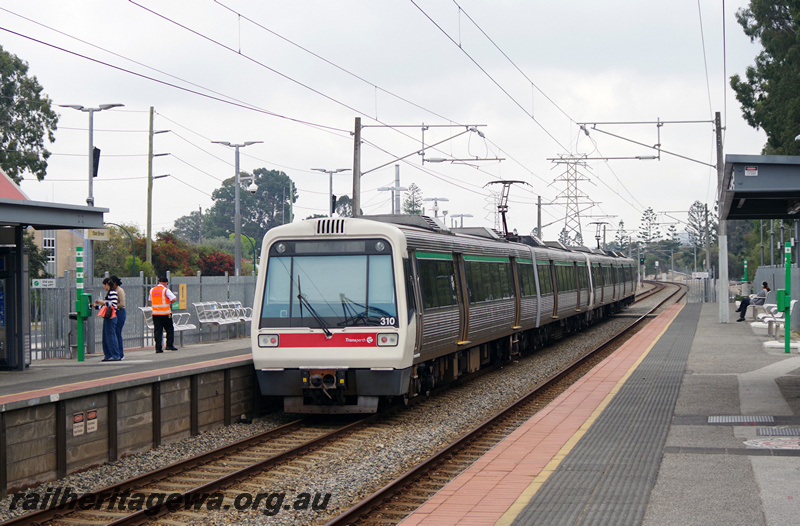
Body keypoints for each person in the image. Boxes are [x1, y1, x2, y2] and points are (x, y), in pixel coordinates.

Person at [94, 277, 122, 361]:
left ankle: (115, 355)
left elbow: (113, 305)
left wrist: (103, 302)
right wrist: (96, 306)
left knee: (110, 337)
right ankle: (108, 355)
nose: (104, 287)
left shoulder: (113, 293)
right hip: (108, 317)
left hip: (111, 318)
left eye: (104, 285)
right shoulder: (109, 293)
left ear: (106, 285)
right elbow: (105, 307)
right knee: (106, 337)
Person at [149, 276, 178, 353]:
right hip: (165, 313)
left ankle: (158, 348)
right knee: (169, 329)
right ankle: (169, 345)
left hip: (155, 313)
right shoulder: (165, 290)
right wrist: (170, 302)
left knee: (158, 330)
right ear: (166, 283)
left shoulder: (152, 290)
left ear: (159, 282)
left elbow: (150, 300)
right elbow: (174, 299)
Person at [110, 275, 126, 360]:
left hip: (120, 312)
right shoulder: (112, 291)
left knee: (117, 332)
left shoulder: (119, 291)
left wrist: (113, 305)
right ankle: (115, 352)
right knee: (114, 333)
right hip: (115, 312)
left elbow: (122, 304)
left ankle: (120, 354)